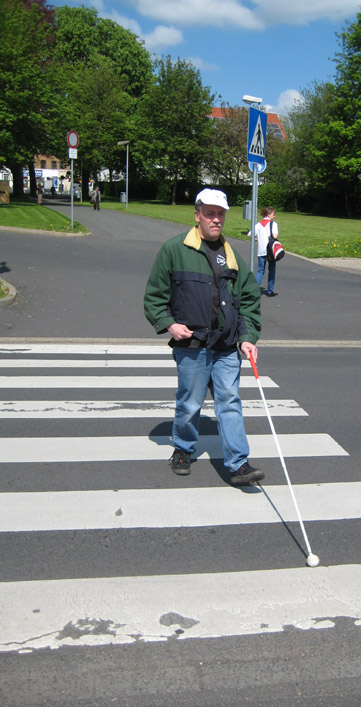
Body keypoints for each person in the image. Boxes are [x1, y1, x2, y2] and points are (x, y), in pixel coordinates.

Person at [144, 188, 265, 485]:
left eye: (220, 214)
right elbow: (154, 298)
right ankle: (183, 449)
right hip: (192, 346)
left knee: (230, 401)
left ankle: (238, 464)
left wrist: (247, 336)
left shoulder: (231, 254)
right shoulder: (174, 249)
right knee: (189, 403)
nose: (216, 219)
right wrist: (169, 325)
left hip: (226, 346)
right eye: (210, 213)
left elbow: (249, 298)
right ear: (197, 215)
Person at [252, 207, 279, 297]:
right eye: (273, 214)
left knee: (260, 270)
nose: (274, 216)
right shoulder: (273, 224)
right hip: (271, 250)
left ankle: (254, 289)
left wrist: (257, 238)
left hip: (261, 250)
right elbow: (275, 236)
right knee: (271, 271)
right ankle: (270, 291)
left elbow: (250, 234)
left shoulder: (258, 224)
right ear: (269, 214)